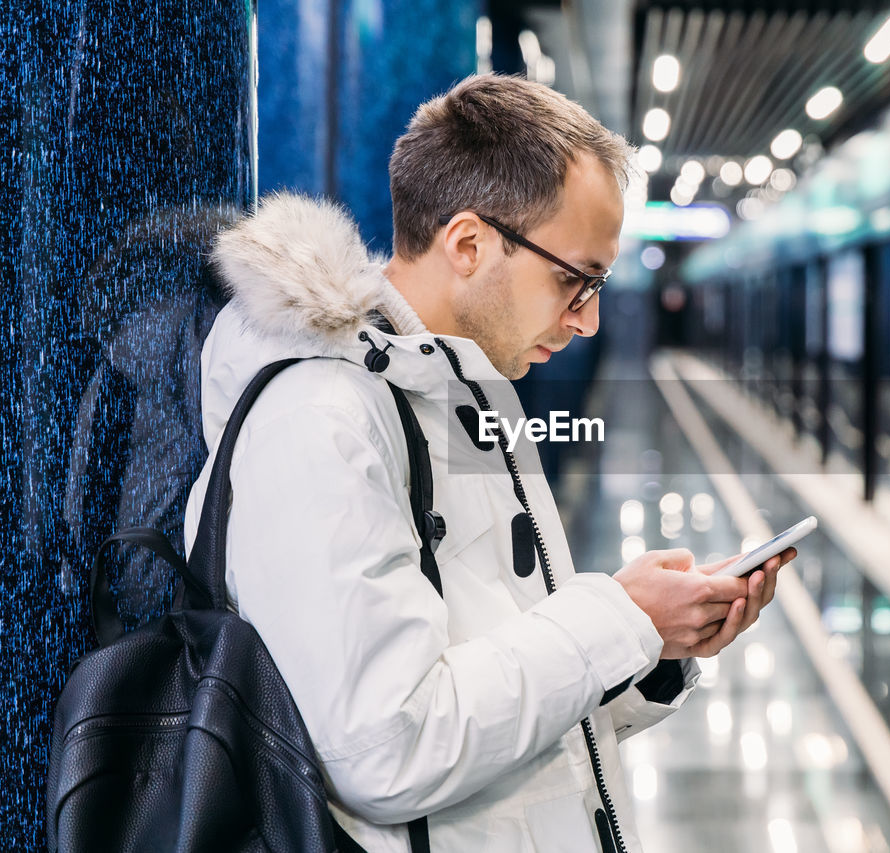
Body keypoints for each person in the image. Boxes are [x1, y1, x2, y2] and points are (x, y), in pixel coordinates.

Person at [185, 73, 796, 853]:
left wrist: (650, 650)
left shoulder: (455, 392)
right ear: (469, 244)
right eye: (574, 280)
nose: (589, 320)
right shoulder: (324, 421)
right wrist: (620, 616)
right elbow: (386, 749)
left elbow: (501, 700)